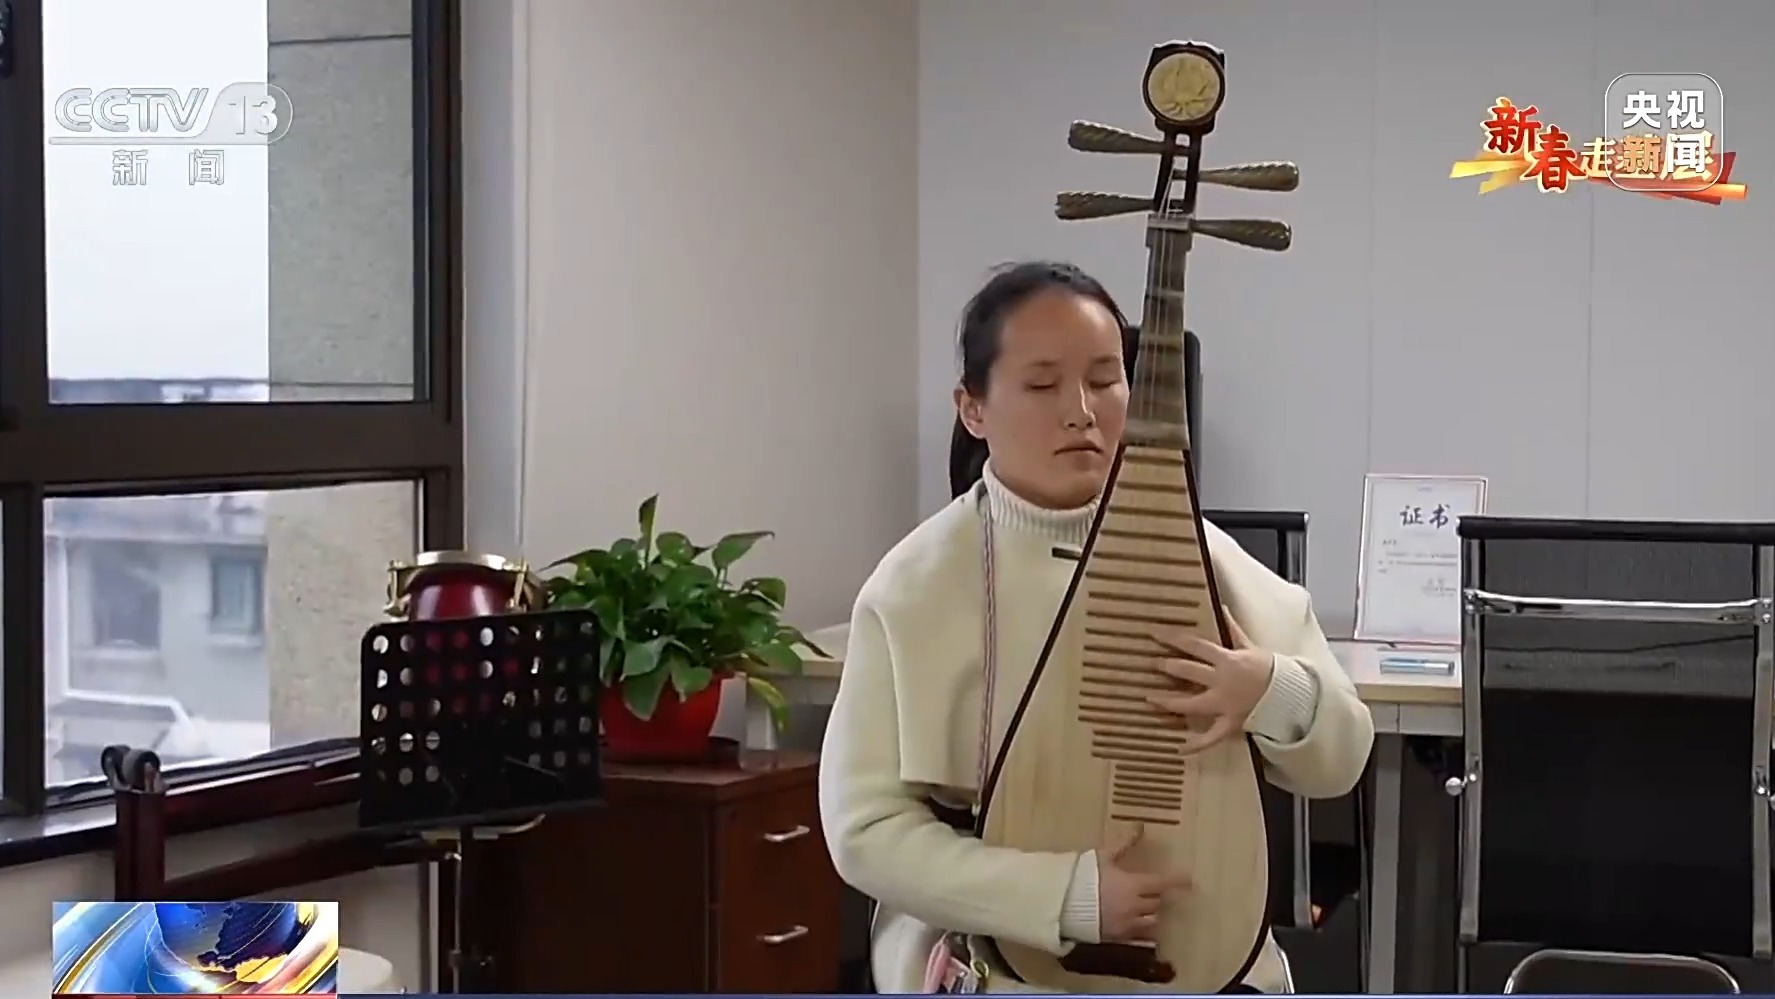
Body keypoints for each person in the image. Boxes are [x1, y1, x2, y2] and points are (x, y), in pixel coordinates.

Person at [818, 260, 1376, 994]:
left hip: (1206, 958)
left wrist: (1269, 690)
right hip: (998, 960)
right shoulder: (915, 586)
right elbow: (864, 830)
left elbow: (1341, 758)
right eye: (1042, 385)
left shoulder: (1210, 561)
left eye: (1106, 379)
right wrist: (1063, 896)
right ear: (972, 409)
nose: (1081, 411)